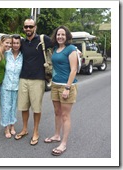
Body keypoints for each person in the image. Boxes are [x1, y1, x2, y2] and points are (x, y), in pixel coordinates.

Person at [14, 18, 52, 145]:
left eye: (31, 26)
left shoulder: (43, 39)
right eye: (26, 27)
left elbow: (59, 44)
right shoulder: (22, 42)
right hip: (23, 78)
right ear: (23, 28)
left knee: (36, 108)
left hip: (38, 79)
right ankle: (24, 129)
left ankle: (36, 131)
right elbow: (9, 49)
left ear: (35, 27)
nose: (28, 29)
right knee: (23, 107)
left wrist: (73, 49)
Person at [44, 25, 78, 156]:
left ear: (67, 36)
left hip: (66, 86)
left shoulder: (71, 49)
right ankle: (57, 135)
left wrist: (67, 88)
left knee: (65, 115)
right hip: (55, 85)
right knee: (57, 112)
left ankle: (63, 143)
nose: (60, 36)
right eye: (58, 34)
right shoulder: (55, 48)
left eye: (63, 34)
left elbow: (74, 70)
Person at [0, 34, 23, 138]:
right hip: (6, 85)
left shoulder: (22, 56)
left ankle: (12, 126)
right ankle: (6, 128)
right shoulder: (6, 54)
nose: (15, 45)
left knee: (13, 107)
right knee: (6, 107)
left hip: (17, 86)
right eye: (14, 43)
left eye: (18, 43)